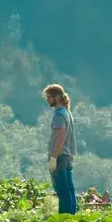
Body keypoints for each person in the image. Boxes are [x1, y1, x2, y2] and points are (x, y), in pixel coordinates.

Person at [44, 84, 77, 214]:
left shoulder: (58, 115)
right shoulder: (66, 112)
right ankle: (72, 216)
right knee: (69, 189)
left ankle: (64, 219)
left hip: (60, 156)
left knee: (62, 190)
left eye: (49, 97)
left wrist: (53, 157)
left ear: (57, 97)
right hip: (67, 156)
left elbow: (60, 138)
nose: (47, 100)